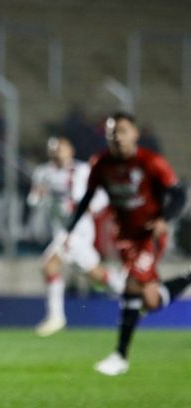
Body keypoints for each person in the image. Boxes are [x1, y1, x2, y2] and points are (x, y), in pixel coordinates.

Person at [67, 112, 190, 376]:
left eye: (122, 131)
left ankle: (120, 355)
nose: (117, 136)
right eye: (112, 132)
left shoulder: (150, 162)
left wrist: (164, 219)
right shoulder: (101, 164)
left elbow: (178, 194)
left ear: (135, 133)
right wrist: (70, 230)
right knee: (151, 300)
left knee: (131, 285)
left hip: (150, 235)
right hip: (125, 239)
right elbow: (87, 198)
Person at [27, 136, 125, 337]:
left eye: (61, 148)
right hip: (61, 231)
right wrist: (39, 195)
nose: (57, 153)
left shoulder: (82, 171)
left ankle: (56, 317)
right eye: (54, 149)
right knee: (95, 275)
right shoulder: (42, 173)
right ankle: (127, 288)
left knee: (50, 266)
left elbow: (102, 196)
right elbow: (34, 201)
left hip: (79, 230)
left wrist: (89, 207)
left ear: (70, 150)